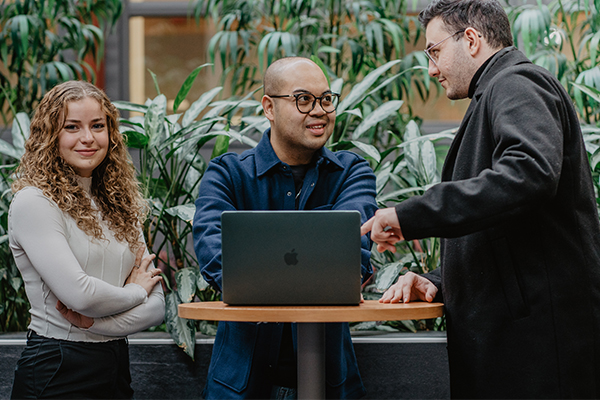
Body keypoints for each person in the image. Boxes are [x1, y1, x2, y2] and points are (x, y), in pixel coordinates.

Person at [361, 0, 600, 398]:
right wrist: (438, 281)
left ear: (470, 39)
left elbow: (529, 174)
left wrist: (412, 216)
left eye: (434, 51)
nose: (432, 69)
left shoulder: (516, 84)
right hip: (522, 341)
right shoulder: (499, 90)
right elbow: (504, 222)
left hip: (536, 349)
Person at [193, 57, 378, 399]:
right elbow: (211, 247)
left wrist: (261, 281)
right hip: (239, 386)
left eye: (326, 99)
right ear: (269, 107)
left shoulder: (352, 173)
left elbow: (354, 251)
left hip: (330, 382)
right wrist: (316, 278)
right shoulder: (227, 174)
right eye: (303, 99)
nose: (320, 110)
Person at [9, 80, 165, 399]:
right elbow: (82, 296)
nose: (88, 138)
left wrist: (94, 325)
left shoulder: (120, 203)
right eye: (72, 127)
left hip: (115, 366)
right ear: (51, 136)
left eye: (97, 126)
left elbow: (158, 307)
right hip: (57, 368)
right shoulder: (34, 202)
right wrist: (135, 290)